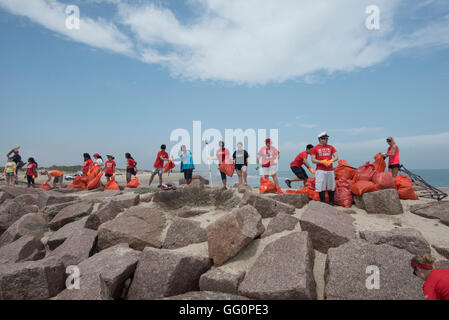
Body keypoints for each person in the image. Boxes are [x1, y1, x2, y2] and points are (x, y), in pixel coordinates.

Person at [310, 132, 338, 205]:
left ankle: (331, 202)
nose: (326, 140)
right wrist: (321, 162)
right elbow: (313, 160)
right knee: (320, 185)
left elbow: (336, 157)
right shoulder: (315, 148)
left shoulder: (331, 147)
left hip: (330, 170)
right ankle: (323, 203)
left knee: (331, 185)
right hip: (320, 170)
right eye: (325, 139)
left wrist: (331, 160)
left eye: (327, 138)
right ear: (320, 139)